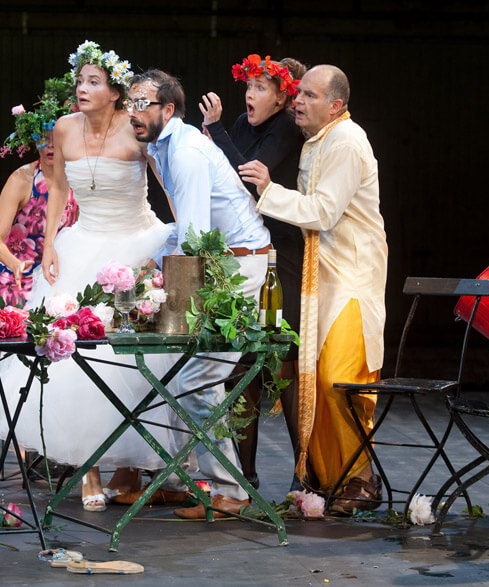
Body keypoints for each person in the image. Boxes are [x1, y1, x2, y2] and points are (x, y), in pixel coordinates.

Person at [0, 41, 174, 512]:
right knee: (73, 355)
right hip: (83, 242)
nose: (82, 88)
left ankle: (129, 468)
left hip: (135, 241)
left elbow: (168, 184)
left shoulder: (136, 126)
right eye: (79, 80)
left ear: (115, 92)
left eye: (93, 81)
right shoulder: (64, 127)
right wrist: (49, 245)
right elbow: (59, 187)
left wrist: (176, 241)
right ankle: (89, 467)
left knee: (130, 358)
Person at [239, 64, 387, 516]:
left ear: (335, 105)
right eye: (298, 93)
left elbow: (322, 212)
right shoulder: (317, 141)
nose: (298, 101)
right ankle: (330, 480)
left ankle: (361, 478)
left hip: (352, 276)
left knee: (339, 379)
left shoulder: (347, 141)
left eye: (309, 96)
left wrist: (268, 191)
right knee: (313, 382)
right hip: (320, 277)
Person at [127, 68, 273, 519]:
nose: (133, 112)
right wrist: (145, 270)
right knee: (175, 373)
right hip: (218, 261)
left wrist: (158, 292)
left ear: (168, 109)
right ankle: (178, 482)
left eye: (142, 104)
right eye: (130, 104)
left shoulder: (186, 150)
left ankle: (232, 492)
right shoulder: (164, 147)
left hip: (237, 268)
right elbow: (184, 235)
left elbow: (193, 239)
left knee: (197, 380)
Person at [199, 54, 305, 490]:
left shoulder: (285, 128)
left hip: (282, 252)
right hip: (245, 252)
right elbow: (226, 175)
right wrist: (215, 138)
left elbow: (246, 180)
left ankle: (304, 475)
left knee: (285, 360)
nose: (250, 93)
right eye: (249, 85)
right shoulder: (242, 124)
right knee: (244, 361)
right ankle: (245, 477)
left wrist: (218, 132)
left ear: (281, 98)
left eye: (261, 88)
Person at [0, 79, 79, 308]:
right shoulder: (22, 179)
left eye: (55, 138)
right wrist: (15, 264)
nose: (49, 145)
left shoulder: (76, 179)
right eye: (43, 138)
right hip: (14, 278)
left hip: (53, 277)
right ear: (34, 140)